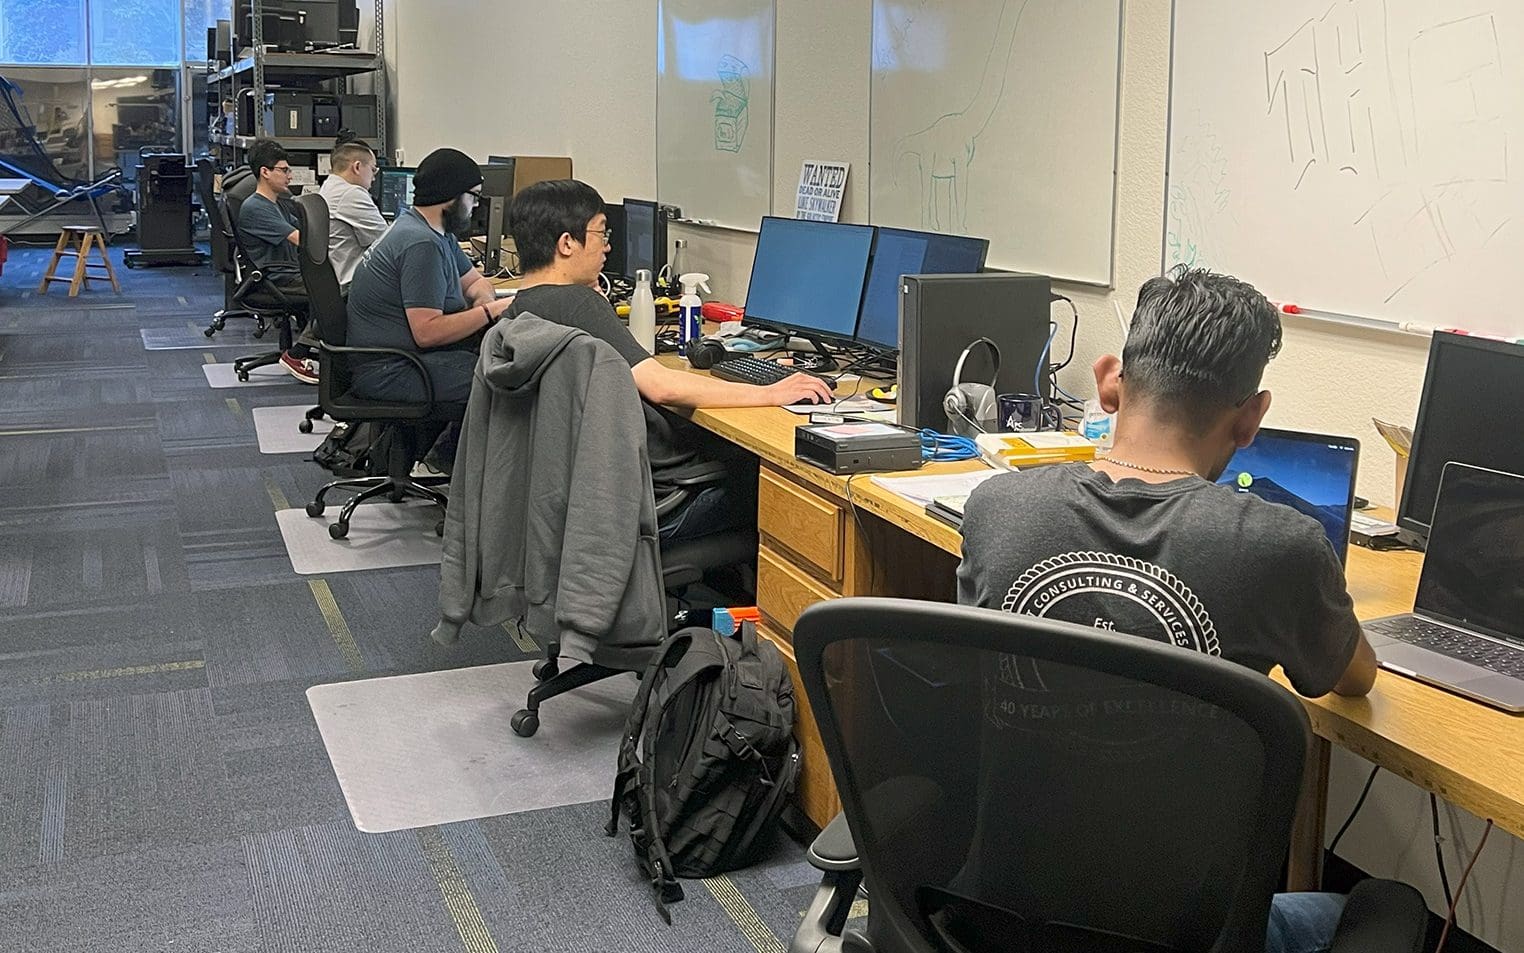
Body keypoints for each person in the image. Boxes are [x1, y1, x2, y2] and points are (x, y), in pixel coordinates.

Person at [956, 266, 1378, 953]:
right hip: (1186, 933)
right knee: (1371, 908)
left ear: (1109, 381)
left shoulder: (996, 508)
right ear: (1251, 418)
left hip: (992, 917)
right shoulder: (1280, 547)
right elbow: (1352, 678)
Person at [504, 178, 834, 541]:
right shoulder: (577, 304)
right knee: (781, 481)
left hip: (569, 502)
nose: (607, 246)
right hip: (659, 497)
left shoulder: (519, 309)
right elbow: (662, 387)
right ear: (567, 243)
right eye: (601, 233)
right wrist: (771, 392)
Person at [346, 147, 511, 405]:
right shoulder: (421, 244)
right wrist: (491, 311)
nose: (477, 205)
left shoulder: (433, 232)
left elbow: (476, 282)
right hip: (393, 371)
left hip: (408, 360)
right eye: (474, 196)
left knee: (504, 364)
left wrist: (484, 302)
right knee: (512, 381)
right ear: (451, 196)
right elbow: (427, 332)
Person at [236, 138, 322, 383]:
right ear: (265, 172)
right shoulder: (256, 207)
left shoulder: (277, 204)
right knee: (332, 295)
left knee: (337, 286)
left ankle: (311, 350)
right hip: (273, 280)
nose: (289, 176)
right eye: (284, 170)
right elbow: (302, 240)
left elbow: (306, 232)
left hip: (286, 274)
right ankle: (298, 354)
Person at [317, 138, 387, 292]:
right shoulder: (350, 194)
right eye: (373, 170)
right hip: (356, 286)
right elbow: (388, 241)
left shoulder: (330, 186)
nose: (374, 177)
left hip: (338, 280)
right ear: (357, 167)